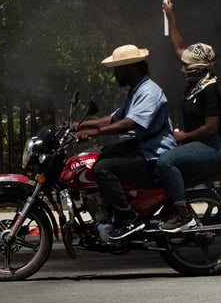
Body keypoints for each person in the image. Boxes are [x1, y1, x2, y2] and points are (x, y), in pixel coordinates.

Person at [75, 44, 177, 240]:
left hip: (153, 155)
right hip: (140, 149)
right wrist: (80, 125)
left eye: (118, 69)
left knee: (103, 168)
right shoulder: (136, 91)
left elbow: (130, 123)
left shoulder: (149, 91)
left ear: (130, 68)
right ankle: (109, 213)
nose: (115, 74)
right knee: (99, 156)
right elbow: (114, 118)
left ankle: (129, 219)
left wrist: (95, 132)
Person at [156, 0, 221, 232]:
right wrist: (171, 14)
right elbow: (178, 46)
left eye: (187, 66)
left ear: (200, 68)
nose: (183, 68)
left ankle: (184, 214)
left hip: (215, 145)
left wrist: (184, 136)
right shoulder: (196, 84)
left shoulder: (210, 89)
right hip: (200, 142)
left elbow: (211, 127)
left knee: (166, 160)